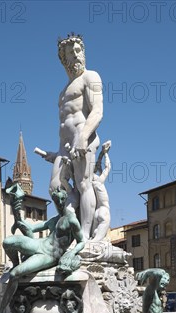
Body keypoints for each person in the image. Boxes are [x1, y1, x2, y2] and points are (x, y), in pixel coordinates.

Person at [36, 34, 103, 240]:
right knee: (55, 187)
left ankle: (84, 235)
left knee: (84, 184)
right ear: (64, 59)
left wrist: (83, 137)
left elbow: (97, 111)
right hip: (64, 145)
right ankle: (69, 229)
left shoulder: (90, 76)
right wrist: (55, 153)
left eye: (78, 51)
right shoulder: (63, 91)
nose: (76, 56)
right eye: (70, 53)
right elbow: (65, 122)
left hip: (84, 138)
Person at [0, 187, 85, 313]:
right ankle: (16, 262)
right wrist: (18, 217)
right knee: (8, 242)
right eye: (56, 200)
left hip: (50, 255)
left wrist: (72, 253)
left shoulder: (72, 220)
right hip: (39, 244)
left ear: (65, 199)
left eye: (62, 200)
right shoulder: (53, 220)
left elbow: (82, 242)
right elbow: (31, 228)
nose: (59, 203)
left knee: (15, 274)